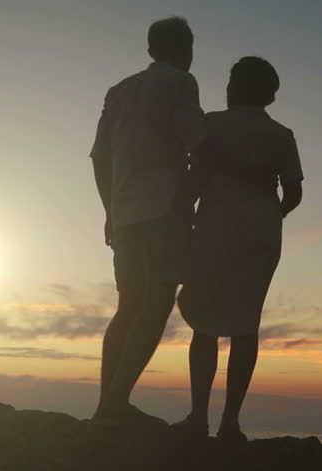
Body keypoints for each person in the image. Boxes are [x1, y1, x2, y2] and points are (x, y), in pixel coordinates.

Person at [171, 56, 304, 440]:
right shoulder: (282, 135)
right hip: (262, 235)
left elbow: (194, 181)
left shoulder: (211, 126)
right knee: (246, 326)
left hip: (214, 230)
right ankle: (231, 422)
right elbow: (293, 193)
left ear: (234, 87)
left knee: (204, 323)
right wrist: (267, 216)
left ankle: (198, 417)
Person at [89, 16, 206, 426]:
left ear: (151, 48)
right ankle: (115, 405)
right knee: (156, 302)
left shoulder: (118, 91)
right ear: (185, 50)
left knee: (128, 305)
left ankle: (108, 403)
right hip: (164, 209)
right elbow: (200, 142)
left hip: (124, 214)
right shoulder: (180, 82)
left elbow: (99, 157)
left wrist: (109, 212)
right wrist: (192, 190)